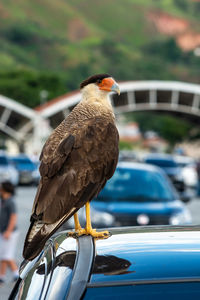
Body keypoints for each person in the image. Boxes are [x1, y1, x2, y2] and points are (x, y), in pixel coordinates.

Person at [0, 181, 19, 285]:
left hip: (10, 233)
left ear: (5, 189)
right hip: (3, 232)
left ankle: (17, 274)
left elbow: (13, 217)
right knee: (3, 254)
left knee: (6, 255)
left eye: (1, 187)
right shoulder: (3, 200)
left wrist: (8, 231)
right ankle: (1, 277)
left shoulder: (10, 202)